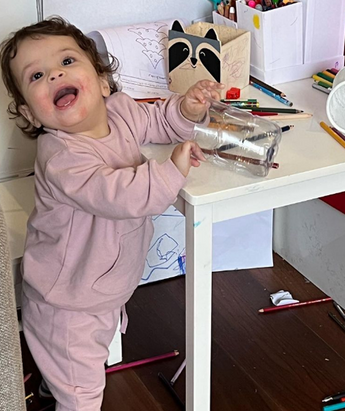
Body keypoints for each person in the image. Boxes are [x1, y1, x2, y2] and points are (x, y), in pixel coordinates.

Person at [0, 16, 223, 411]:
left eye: (66, 62)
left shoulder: (119, 112)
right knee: (83, 394)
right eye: (36, 75)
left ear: (103, 82)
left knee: (77, 368)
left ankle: (55, 381)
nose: (53, 74)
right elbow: (120, 194)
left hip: (99, 286)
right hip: (66, 305)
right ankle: (63, 387)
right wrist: (171, 168)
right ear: (31, 115)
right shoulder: (62, 158)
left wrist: (185, 112)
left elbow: (156, 121)